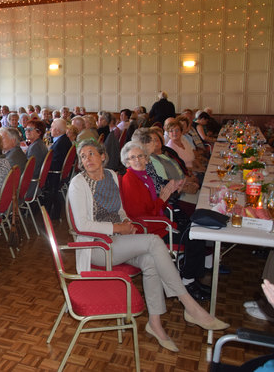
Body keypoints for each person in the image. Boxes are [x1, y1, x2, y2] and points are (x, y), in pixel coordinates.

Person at [68, 140, 228, 352]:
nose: (86, 159)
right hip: (97, 247)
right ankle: (189, 304)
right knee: (153, 241)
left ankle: (155, 323)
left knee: (151, 260)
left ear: (103, 156)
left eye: (90, 154)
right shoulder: (79, 183)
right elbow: (82, 225)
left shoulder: (112, 176)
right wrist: (118, 228)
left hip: (118, 241)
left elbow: (121, 210)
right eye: (82, 156)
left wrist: (125, 222)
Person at [119, 142, 210, 300]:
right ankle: (187, 282)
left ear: (147, 159)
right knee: (194, 239)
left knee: (196, 232)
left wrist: (165, 197)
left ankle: (192, 278)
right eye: (132, 158)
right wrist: (162, 199)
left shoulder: (145, 176)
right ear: (127, 162)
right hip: (147, 229)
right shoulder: (130, 181)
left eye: (140, 156)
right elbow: (139, 215)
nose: (138, 160)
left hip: (159, 222)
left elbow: (155, 203)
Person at [45, 118, 72, 219]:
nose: (50, 129)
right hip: (59, 173)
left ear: (57, 130)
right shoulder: (63, 140)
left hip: (54, 174)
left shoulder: (60, 144)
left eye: (51, 127)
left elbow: (55, 163)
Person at [25, 119, 48, 198]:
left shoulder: (35, 147)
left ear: (39, 132)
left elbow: (30, 171)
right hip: (35, 182)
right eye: (26, 129)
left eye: (30, 129)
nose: (27, 131)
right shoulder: (39, 143)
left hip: (31, 185)